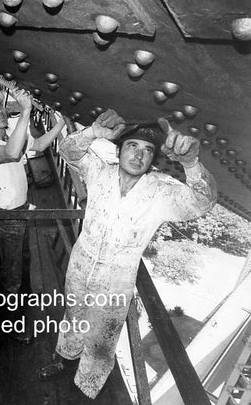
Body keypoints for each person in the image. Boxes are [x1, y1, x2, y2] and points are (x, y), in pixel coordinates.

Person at [44, 109, 217, 398]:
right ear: (120, 150)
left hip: (116, 285)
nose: (138, 155)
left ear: (153, 159)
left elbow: (203, 201)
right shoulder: (99, 171)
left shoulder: (161, 193)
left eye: (147, 150)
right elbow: (68, 151)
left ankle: (86, 387)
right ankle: (65, 357)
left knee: (102, 341)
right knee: (73, 316)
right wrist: (92, 133)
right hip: (80, 268)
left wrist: (191, 162)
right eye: (132, 146)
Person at [0, 89, 66, 340]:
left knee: (24, 261)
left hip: (23, 210)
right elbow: (13, 153)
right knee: (12, 273)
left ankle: (21, 303)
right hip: (8, 217)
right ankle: (11, 328)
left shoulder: (11, 138)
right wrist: (26, 110)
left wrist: (63, 122)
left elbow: (40, 144)